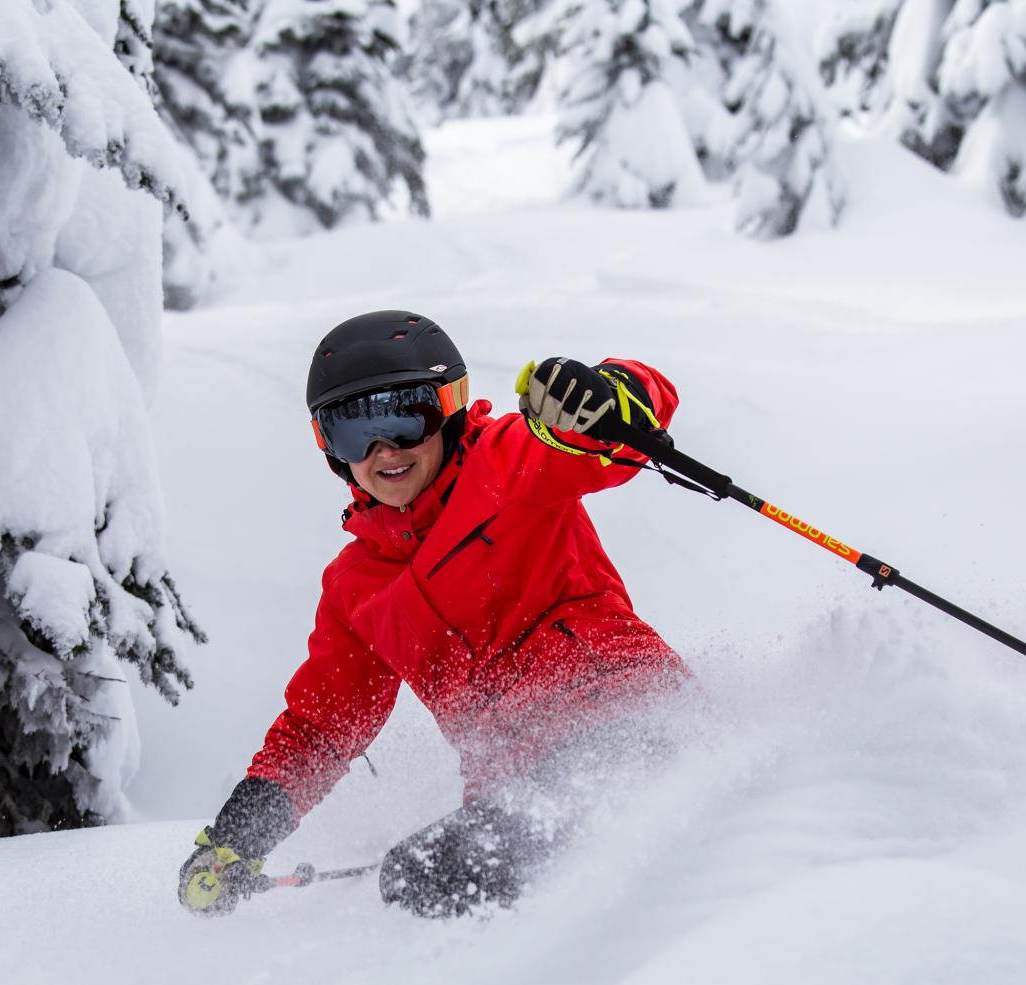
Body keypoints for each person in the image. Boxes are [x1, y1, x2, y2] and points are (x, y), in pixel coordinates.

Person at [178, 310, 688, 918]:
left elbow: (614, 440)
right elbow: (321, 727)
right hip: (511, 794)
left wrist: (611, 392)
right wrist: (240, 834)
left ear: (446, 410)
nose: (382, 451)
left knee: (426, 875)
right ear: (329, 449)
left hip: (632, 727)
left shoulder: (509, 461)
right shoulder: (357, 588)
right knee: (422, 880)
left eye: (403, 418)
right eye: (352, 434)